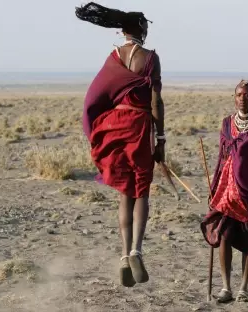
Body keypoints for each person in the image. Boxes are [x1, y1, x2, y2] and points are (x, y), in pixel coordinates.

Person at [76, 2, 165, 287]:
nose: (148, 29)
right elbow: (155, 101)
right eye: (146, 25)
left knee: (124, 193)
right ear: (138, 28)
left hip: (115, 127)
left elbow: (97, 94)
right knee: (141, 191)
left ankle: (124, 255)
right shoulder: (150, 58)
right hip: (139, 127)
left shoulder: (113, 57)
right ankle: (137, 249)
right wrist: (160, 138)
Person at [200, 80, 248, 303]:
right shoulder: (226, 124)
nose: (243, 98)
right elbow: (222, 157)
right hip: (224, 189)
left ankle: (244, 288)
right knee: (224, 236)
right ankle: (226, 287)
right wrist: (214, 187)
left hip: (247, 190)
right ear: (234, 97)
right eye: (239, 94)